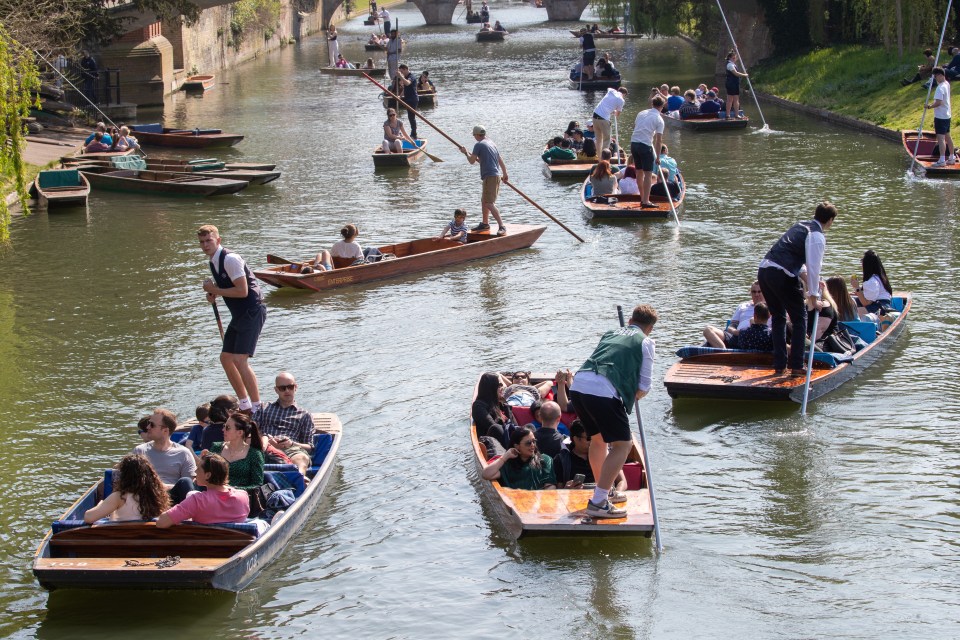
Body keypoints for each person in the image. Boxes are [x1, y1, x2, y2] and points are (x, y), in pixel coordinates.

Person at [568, 304, 657, 518]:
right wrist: (631, 392)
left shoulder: (610, 332)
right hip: (603, 392)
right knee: (623, 445)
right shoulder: (646, 341)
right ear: (650, 328)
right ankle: (598, 501)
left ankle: (605, 492)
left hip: (579, 385)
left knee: (598, 440)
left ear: (630, 321)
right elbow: (643, 387)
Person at [757, 202, 838, 375]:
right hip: (781, 274)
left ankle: (779, 365)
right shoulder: (817, 235)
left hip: (764, 271)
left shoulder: (800, 226)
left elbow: (796, 261)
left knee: (778, 317)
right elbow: (814, 267)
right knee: (800, 318)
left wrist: (808, 283)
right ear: (830, 221)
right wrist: (814, 298)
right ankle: (796, 365)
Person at [199, 225, 266, 412]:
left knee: (239, 359)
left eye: (209, 241)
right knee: (225, 358)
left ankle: (256, 407)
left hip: (252, 311)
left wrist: (214, 290)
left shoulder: (230, 259)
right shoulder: (213, 262)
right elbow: (229, 288)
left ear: (218, 240)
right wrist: (214, 294)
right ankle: (243, 404)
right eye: (202, 242)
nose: (205, 245)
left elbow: (242, 291)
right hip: (239, 314)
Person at [156, 454, 250, 528]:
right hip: (238, 549)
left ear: (208, 475)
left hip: (204, 550)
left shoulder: (196, 501)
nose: (195, 472)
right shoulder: (243, 497)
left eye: (198, 469)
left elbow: (161, 523)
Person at [255, 372, 316, 476]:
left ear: (295, 387)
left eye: (290, 387)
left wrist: (291, 443)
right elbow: (251, 430)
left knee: (302, 458)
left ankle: (300, 478)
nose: (287, 390)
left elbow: (309, 447)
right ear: (276, 390)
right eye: (283, 388)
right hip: (265, 447)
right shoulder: (263, 408)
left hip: (290, 450)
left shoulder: (304, 415)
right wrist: (265, 439)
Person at [133, 408, 197, 505]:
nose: (148, 427)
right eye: (149, 423)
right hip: (147, 497)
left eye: (152, 425)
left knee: (186, 481)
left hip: (173, 499)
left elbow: (189, 486)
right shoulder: (140, 451)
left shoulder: (183, 453)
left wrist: (164, 486)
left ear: (165, 431)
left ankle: (185, 516)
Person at [84, 454, 170, 523]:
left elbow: (89, 518)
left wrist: (100, 504)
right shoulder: (158, 495)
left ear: (124, 476)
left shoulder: (120, 497)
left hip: (123, 540)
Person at [459, 125, 508, 236]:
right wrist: (505, 173)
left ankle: (502, 226)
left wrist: (465, 152)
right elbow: (498, 159)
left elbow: (471, 161)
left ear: (476, 135)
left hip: (490, 176)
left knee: (489, 203)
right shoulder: (491, 143)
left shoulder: (479, 145)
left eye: (474, 135)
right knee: (484, 200)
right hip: (494, 175)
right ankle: (485, 223)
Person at [553, 420, 628, 490]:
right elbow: (559, 490)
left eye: (598, 438)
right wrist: (567, 489)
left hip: (606, 497)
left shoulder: (608, 455)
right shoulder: (561, 460)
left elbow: (622, 481)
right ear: (576, 439)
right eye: (589, 438)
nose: (595, 442)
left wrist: (616, 494)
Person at [481, 426, 557, 490]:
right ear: (516, 446)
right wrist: (505, 456)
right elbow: (486, 474)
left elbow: (551, 486)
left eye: (534, 441)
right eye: (528, 443)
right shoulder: (508, 464)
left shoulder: (545, 460)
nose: (533, 445)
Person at [203, 412, 265, 491]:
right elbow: (206, 476)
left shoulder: (255, 454)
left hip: (241, 498)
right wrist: (203, 462)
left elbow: (257, 485)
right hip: (215, 496)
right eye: (224, 426)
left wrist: (232, 489)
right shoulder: (216, 447)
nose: (223, 430)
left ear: (240, 432)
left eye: (227, 428)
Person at [703, 281, 766, 348]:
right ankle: (723, 351)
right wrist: (737, 332)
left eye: (759, 292)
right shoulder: (742, 306)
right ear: (750, 293)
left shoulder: (770, 308)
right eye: (754, 292)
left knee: (752, 321)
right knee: (708, 330)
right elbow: (730, 327)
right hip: (737, 336)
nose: (756, 294)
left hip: (757, 338)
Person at [630, 94, 665, 209]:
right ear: (662, 106)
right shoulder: (659, 120)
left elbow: (636, 127)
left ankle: (642, 198)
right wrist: (658, 157)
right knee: (648, 174)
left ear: (652, 104)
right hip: (645, 146)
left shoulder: (641, 113)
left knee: (639, 172)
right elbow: (658, 141)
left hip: (634, 144)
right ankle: (646, 201)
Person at [923, 67, 955, 167]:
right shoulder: (947, 84)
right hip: (947, 115)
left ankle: (942, 160)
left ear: (941, 75)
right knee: (948, 136)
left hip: (941, 117)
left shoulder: (940, 87)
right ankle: (952, 157)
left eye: (936, 76)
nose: (935, 78)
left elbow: (938, 102)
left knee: (941, 138)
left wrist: (929, 106)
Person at [851, 249, 894, 314]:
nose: (861, 263)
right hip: (882, 304)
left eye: (862, 261)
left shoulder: (871, 281)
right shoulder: (879, 277)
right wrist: (859, 292)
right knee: (850, 301)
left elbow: (866, 303)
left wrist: (857, 288)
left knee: (849, 312)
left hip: (879, 307)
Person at [592, 87, 627, 161]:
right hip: (604, 119)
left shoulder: (611, 91)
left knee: (598, 139)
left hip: (595, 115)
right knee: (606, 140)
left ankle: (599, 159)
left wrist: (610, 108)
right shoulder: (621, 100)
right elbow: (617, 114)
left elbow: (608, 88)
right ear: (624, 94)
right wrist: (614, 111)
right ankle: (604, 160)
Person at [473, 371, 508, 442]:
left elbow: (513, 423)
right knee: (496, 428)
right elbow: (493, 427)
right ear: (491, 387)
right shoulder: (478, 406)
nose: (502, 388)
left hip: (507, 435)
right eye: (499, 385)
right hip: (494, 442)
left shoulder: (500, 404)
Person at [396, 64, 419, 138]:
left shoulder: (411, 76)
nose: (402, 73)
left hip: (413, 99)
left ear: (406, 69)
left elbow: (407, 83)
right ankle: (413, 133)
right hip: (408, 99)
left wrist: (400, 76)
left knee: (411, 117)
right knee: (410, 117)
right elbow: (405, 88)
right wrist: (400, 96)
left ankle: (414, 134)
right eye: (400, 72)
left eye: (402, 71)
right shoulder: (405, 77)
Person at [724, 51, 749, 118]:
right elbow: (736, 74)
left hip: (734, 83)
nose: (734, 59)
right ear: (729, 58)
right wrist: (745, 75)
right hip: (731, 84)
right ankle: (729, 115)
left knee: (735, 99)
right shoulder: (730, 65)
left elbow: (737, 56)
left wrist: (735, 49)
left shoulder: (732, 64)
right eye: (733, 58)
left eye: (735, 58)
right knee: (731, 99)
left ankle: (734, 114)